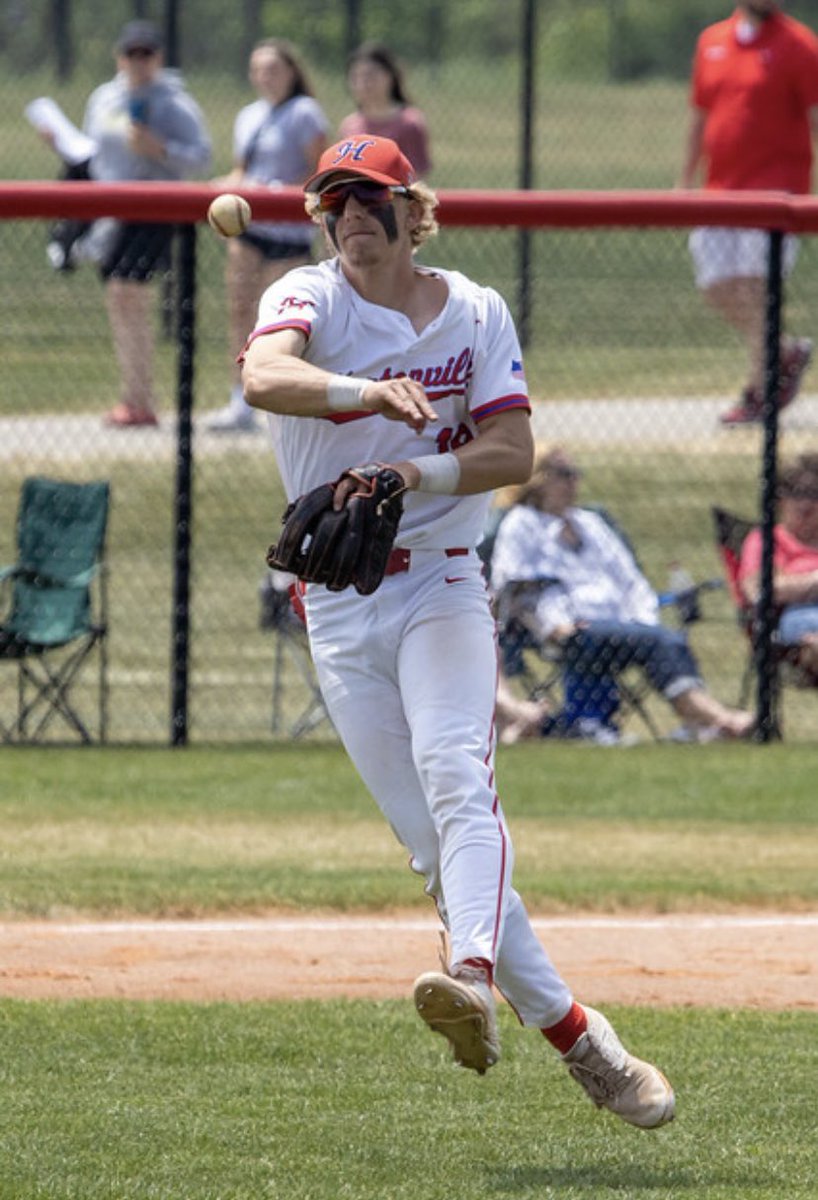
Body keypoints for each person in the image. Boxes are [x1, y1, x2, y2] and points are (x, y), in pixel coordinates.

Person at [240, 135, 675, 1129]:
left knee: (456, 770)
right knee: (435, 851)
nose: (351, 212)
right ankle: (582, 1041)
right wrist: (360, 396)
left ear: (412, 210)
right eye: (333, 198)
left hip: (439, 582)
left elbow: (511, 448)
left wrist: (406, 473)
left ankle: (470, 976)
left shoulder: (474, 311)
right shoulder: (306, 299)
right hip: (339, 605)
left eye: (370, 197)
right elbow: (265, 377)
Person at [490, 447, 755, 741]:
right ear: (538, 479)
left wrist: (644, 621)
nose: (573, 482)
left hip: (622, 624)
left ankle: (705, 720)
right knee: (661, 641)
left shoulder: (590, 523)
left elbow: (630, 580)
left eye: (576, 474)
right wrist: (554, 626)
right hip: (566, 628)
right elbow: (515, 588)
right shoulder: (521, 524)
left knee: (662, 637)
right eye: (564, 474)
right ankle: (716, 719)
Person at [678, 1, 818, 427]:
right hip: (720, 189)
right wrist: (683, 180)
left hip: (775, 192)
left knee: (756, 289)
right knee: (716, 284)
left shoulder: (799, 45)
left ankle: (759, 392)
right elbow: (700, 115)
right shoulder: (713, 41)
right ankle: (784, 351)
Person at [79, 20, 211, 427]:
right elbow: (90, 147)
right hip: (111, 207)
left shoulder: (175, 103)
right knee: (120, 300)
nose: (138, 62)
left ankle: (142, 399)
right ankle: (133, 395)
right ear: (120, 57)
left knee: (129, 292)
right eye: (131, 53)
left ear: (158, 57)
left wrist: (160, 148)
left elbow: (201, 155)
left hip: (155, 206)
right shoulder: (104, 99)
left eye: (146, 53)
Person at [207, 39, 328, 433]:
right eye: (258, 69)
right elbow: (242, 168)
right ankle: (239, 400)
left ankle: (288, 401)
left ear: (291, 71)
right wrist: (224, 187)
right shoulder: (248, 116)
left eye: (273, 68)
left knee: (282, 319)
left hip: (288, 229)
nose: (265, 76)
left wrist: (276, 190)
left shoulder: (304, 113)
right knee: (241, 309)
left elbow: (319, 172)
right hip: (250, 228)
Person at [739, 452, 818, 681]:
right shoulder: (766, 540)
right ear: (780, 498)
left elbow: (779, 584)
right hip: (793, 621)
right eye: (795, 493)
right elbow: (758, 590)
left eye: (813, 494)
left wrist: (791, 583)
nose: (805, 504)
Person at [338, 42, 431, 175]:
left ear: (390, 76)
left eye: (370, 75)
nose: (362, 84)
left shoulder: (410, 123)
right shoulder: (349, 125)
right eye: (355, 77)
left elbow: (416, 176)